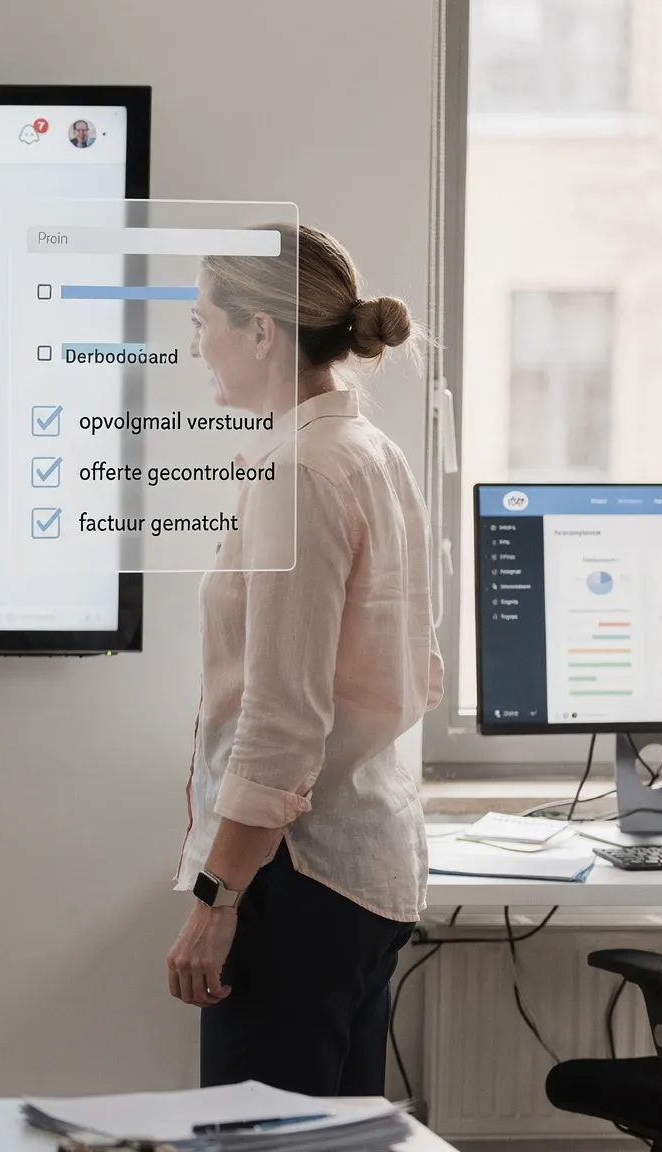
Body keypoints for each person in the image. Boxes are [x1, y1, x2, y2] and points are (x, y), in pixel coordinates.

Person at [166, 223, 443, 1095]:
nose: (196, 340)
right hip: (362, 868)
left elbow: (284, 722)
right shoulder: (370, 452)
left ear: (260, 331)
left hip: (295, 879)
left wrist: (219, 901)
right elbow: (413, 670)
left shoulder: (302, 472)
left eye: (205, 317)